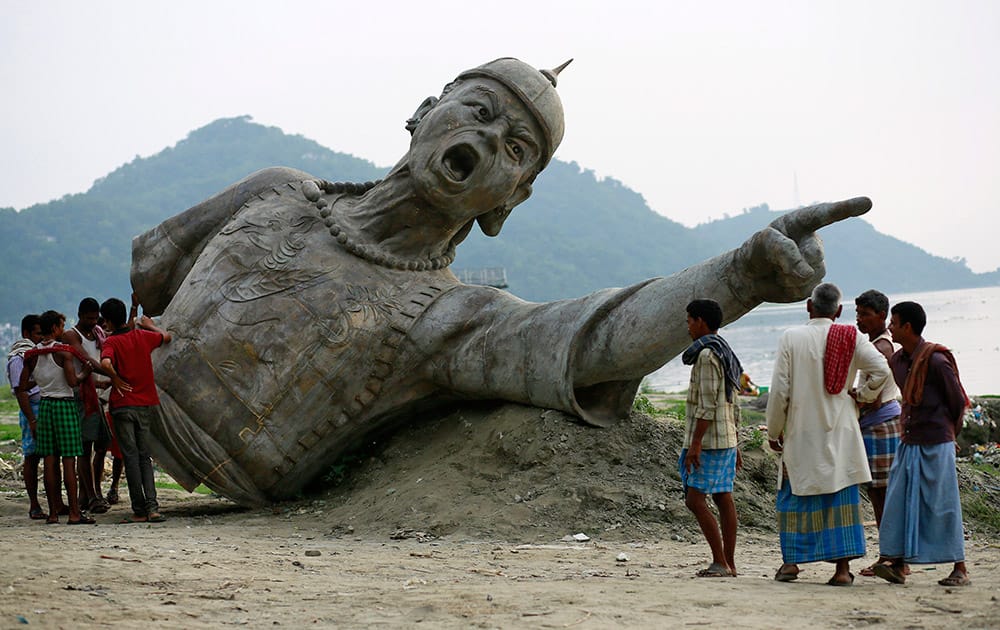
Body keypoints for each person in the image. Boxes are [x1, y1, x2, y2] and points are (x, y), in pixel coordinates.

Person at [128, 57, 873, 506]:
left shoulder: (448, 317)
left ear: (510, 199)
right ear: (425, 113)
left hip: (242, 473)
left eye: (515, 146)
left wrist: (740, 274)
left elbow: (590, 338)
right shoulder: (278, 189)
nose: (486, 140)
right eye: (477, 112)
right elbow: (152, 263)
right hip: (126, 409)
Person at [766, 283, 890, 586]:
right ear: (839, 311)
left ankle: (791, 564)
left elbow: (780, 390)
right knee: (841, 497)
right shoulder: (852, 337)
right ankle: (842, 570)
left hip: (801, 430)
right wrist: (861, 395)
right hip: (841, 430)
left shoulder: (791, 338)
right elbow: (883, 370)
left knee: (794, 494)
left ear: (809, 306)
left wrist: (773, 429)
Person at [872, 301, 971, 587]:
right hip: (909, 439)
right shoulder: (898, 361)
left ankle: (960, 568)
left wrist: (950, 435)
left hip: (936, 441)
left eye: (894, 322)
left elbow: (956, 402)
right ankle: (897, 564)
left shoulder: (938, 361)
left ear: (908, 327)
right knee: (898, 500)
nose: (889, 327)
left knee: (943, 503)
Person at [679, 299, 743, 577]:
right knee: (723, 497)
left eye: (690, 321)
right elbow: (734, 401)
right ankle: (729, 562)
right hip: (726, 437)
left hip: (710, 441)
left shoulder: (706, 356)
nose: (689, 327)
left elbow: (706, 406)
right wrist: (737, 441)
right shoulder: (725, 350)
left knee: (694, 500)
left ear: (701, 321)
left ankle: (720, 561)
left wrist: (695, 444)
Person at [99, 297, 172, 523]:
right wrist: (149, 325)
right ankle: (153, 507)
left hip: (122, 405)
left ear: (109, 322)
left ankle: (139, 509)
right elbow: (166, 337)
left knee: (130, 458)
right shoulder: (142, 337)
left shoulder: (110, 342)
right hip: (145, 403)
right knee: (144, 457)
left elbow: (105, 363)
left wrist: (115, 379)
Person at [18, 311, 95, 524]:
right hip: (64, 405)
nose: (63, 330)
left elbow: (23, 386)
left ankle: (52, 514)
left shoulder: (32, 355)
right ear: (54, 328)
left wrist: (43, 384)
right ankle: (74, 513)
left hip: (45, 406)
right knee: (69, 462)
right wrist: (85, 373)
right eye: (61, 326)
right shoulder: (64, 353)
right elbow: (72, 381)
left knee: (50, 461)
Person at [852, 289, 904, 577]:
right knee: (880, 493)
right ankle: (893, 557)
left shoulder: (882, 348)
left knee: (881, 494)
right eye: (857, 314)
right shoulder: (875, 344)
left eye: (865, 315)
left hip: (880, 425)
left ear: (881, 316)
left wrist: (854, 396)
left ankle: (891, 558)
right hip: (879, 425)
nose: (859, 320)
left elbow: (871, 396)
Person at [62, 297, 113, 514]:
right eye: (89, 318)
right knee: (85, 448)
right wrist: (113, 375)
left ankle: (90, 492)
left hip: (97, 396)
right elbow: (86, 361)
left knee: (101, 445)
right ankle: (92, 495)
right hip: (82, 396)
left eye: (95, 318)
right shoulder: (72, 335)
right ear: (80, 315)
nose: (93, 322)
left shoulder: (98, 334)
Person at [6, 313, 59, 519]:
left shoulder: (38, 353)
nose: (40, 337)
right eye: (37, 333)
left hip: (44, 406)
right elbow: (21, 392)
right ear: (27, 333)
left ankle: (55, 503)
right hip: (32, 410)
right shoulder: (20, 358)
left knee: (50, 456)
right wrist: (32, 420)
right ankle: (34, 504)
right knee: (32, 456)